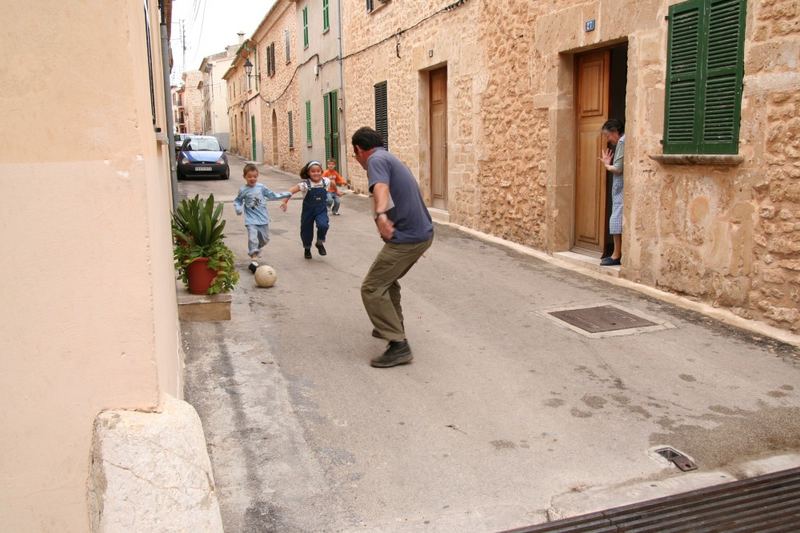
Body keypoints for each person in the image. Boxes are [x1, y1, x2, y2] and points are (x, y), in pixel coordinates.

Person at [352, 126, 434, 368]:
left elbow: (381, 188)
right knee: (388, 281)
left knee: (372, 287)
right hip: (421, 234)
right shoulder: (388, 157)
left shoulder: (375, 160)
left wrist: (381, 215)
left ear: (358, 150)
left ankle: (398, 345)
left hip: (408, 238)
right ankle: (388, 326)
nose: (356, 160)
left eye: (354, 155)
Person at [233, 163, 291, 273]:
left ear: (257, 176)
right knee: (253, 237)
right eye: (249, 176)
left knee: (264, 240)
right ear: (244, 177)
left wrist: (285, 194)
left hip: (263, 219)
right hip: (251, 220)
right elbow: (238, 201)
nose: (252, 179)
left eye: (254, 176)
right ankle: (254, 259)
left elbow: (272, 195)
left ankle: (256, 248)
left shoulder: (261, 187)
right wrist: (238, 208)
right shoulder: (243, 190)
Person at [281, 160, 331, 259]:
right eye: (313, 171)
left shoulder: (326, 181)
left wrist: (337, 192)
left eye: (318, 171)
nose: (316, 173)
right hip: (308, 211)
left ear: (321, 171)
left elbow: (332, 184)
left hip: (321, 209)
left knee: (323, 225)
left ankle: (320, 242)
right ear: (308, 172)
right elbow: (291, 190)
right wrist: (284, 201)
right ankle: (307, 248)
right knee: (306, 230)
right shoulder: (305, 184)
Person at [599, 119, 625, 266]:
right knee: (617, 218)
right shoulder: (624, 141)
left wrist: (607, 166)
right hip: (620, 187)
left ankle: (616, 255)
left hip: (620, 187)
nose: (608, 139)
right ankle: (617, 253)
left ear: (615, 131)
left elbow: (618, 168)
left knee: (615, 219)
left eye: (608, 136)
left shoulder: (622, 142)